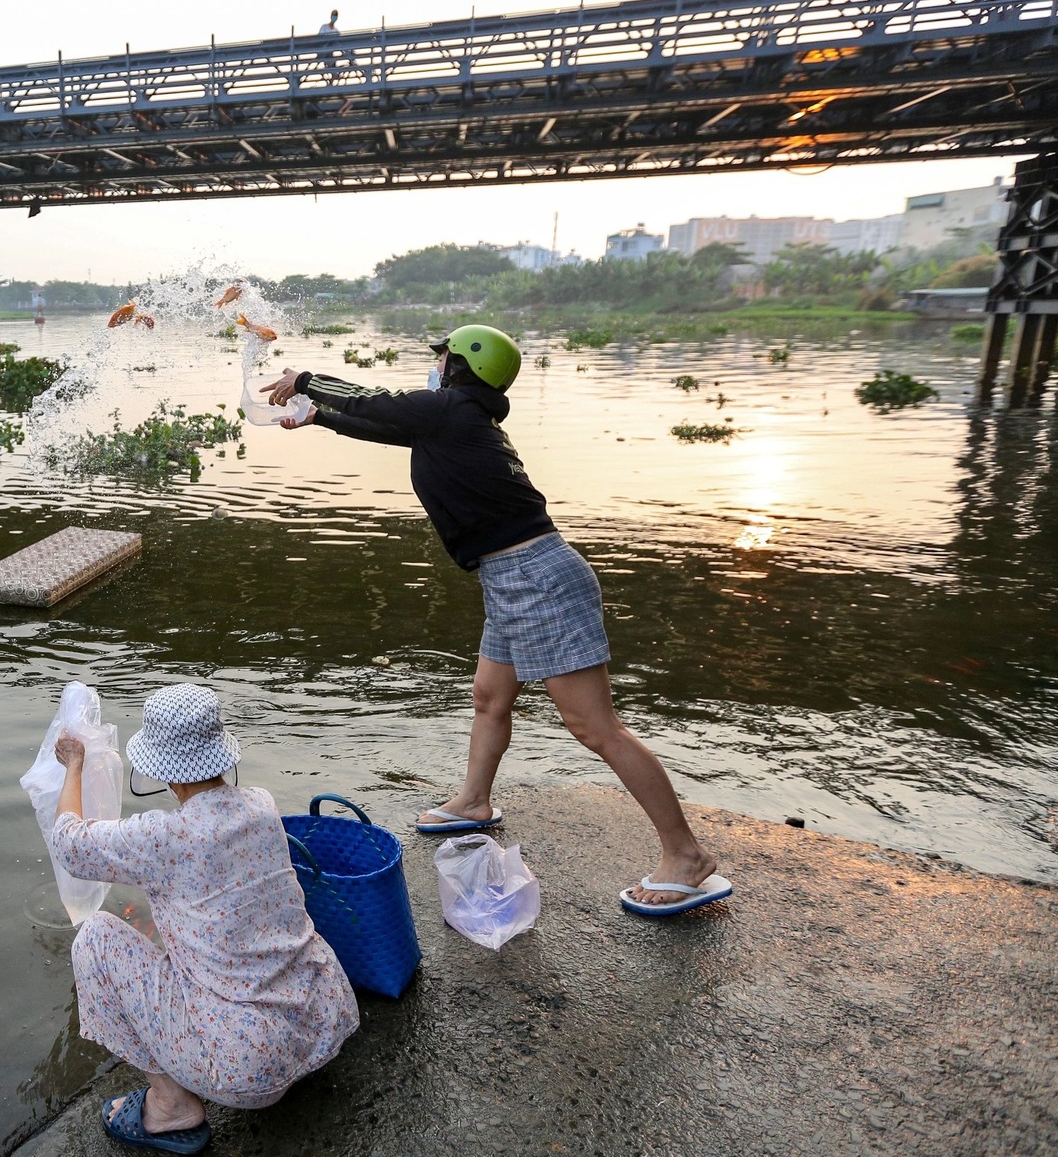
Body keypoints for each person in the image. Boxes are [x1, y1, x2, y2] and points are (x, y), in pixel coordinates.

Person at [261, 327, 732, 917]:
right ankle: (474, 802)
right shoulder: (457, 419)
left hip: (537, 578)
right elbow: (382, 425)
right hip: (509, 577)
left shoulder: (453, 409)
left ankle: (685, 856)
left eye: (441, 355)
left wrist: (306, 381)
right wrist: (321, 419)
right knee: (490, 698)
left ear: (460, 366)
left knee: (595, 728)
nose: (434, 364)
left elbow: (375, 400)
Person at [48, 684, 358, 1154]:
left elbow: (69, 842)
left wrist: (74, 764)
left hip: (248, 1066)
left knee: (94, 938)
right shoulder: (262, 803)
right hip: (323, 1019)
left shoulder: (165, 835)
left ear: (161, 770)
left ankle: (171, 1105)